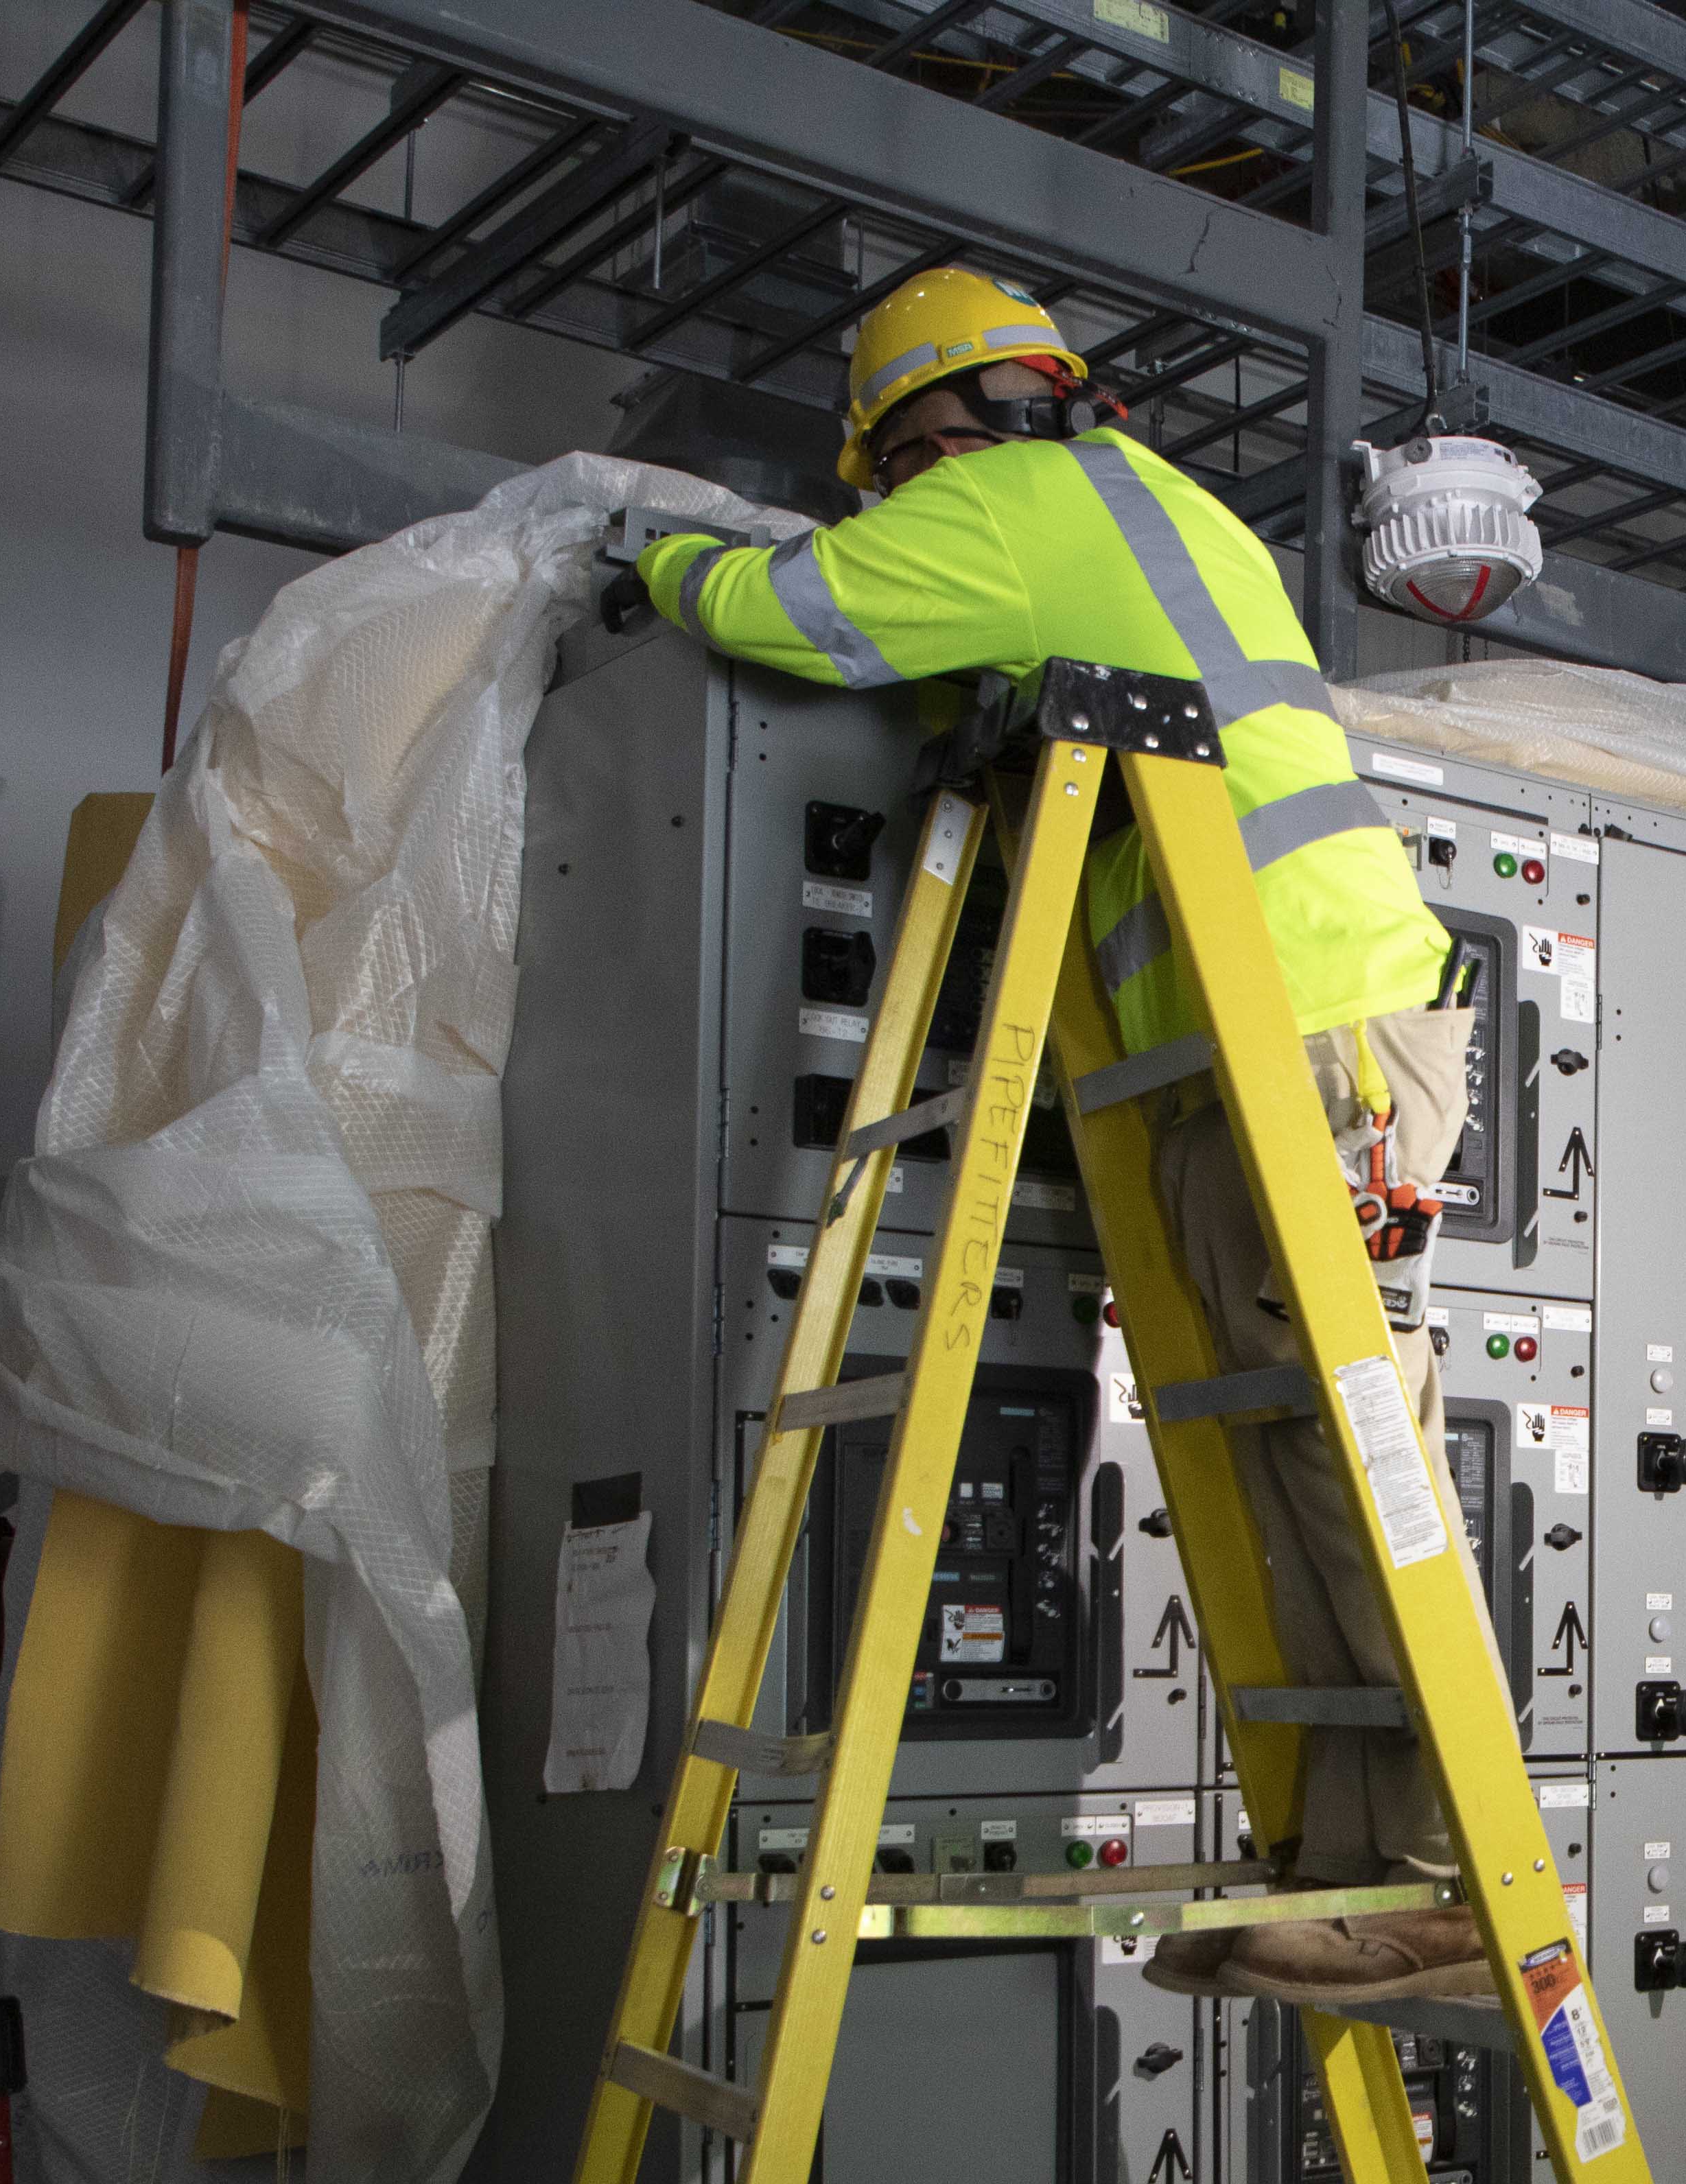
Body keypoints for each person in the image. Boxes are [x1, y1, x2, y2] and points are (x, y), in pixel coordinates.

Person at [622, 268, 1493, 2006]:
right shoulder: (1155, 511)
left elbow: (789, 610)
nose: (905, 502)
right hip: (1263, 1037)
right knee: (1281, 1455)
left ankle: (1444, 1883)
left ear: (931, 436)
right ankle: (1350, 1860)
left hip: (1300, 1027)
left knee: (1335, 1443)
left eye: (898, 474)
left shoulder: (1020, 507)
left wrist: (635, 545)